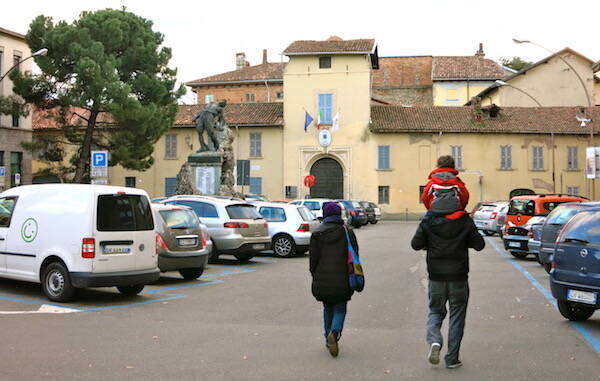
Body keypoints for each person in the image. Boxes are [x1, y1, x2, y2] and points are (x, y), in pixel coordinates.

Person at [410, 208, 485, 369]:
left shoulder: (428, 220)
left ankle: (435, 340)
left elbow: (416, 244)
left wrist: (429, 241)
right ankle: (452, 358)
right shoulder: (464, 220)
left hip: (436, 277)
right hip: (459, 277)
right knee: (457, 317)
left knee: (435, 312)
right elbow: (479, 245)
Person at [309, 202, 358, 358]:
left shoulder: (317, 233)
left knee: (327, 307)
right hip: (343, 278)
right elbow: (355, 253)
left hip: (322, 278)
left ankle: (327, 336)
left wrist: (315, 275)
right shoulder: (347, 232)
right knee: (340, 308)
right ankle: (335, 332)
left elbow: (313, 260)